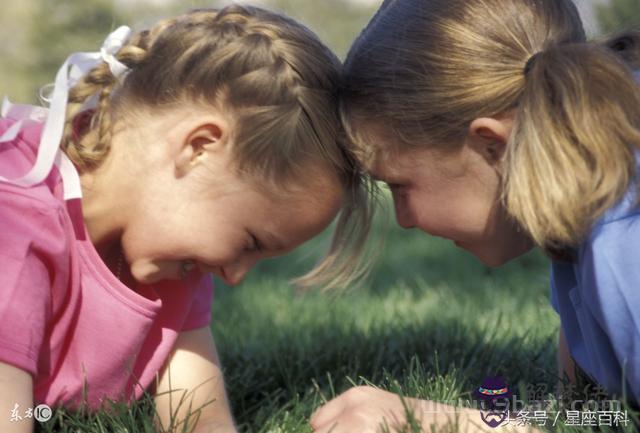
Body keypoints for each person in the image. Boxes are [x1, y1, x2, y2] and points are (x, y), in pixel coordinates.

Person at [0, 5, 372, 433]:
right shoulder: (16, 224)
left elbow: (200, 419)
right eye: (250, 242)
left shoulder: (167, 255)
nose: (234, 276)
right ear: (199, 148)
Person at [310, 0, 640, 432]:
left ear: (491, 146)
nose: (405, 219)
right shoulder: (583, 224)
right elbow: (583, 414)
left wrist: (459, 425)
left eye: (400, 185)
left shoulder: (620, 246)